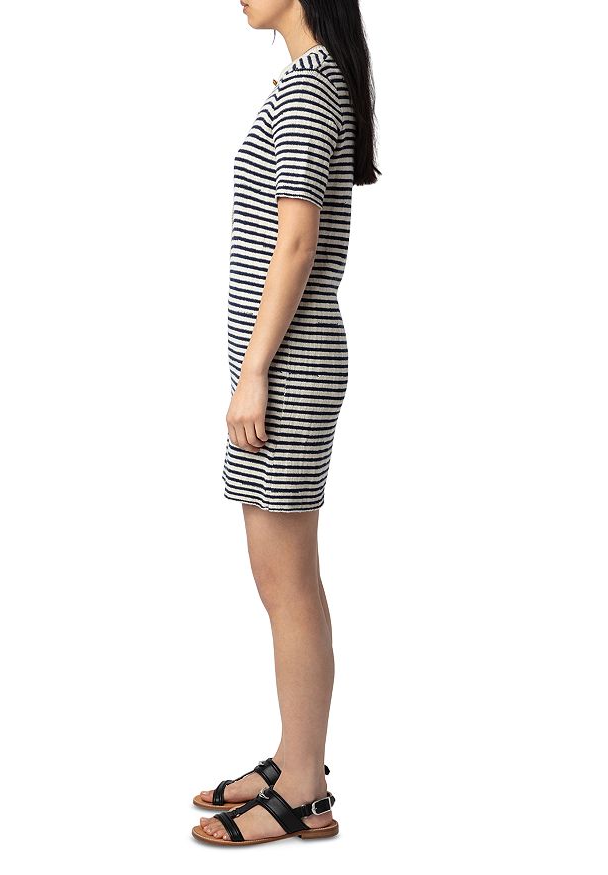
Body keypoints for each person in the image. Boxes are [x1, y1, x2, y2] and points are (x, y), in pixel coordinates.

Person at [192, 0, 380, 846]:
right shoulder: (307, 81)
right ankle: (294, 757)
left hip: (289, 370)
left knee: (287, 581)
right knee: (282, 579)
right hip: (283, 367)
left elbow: (296, 241)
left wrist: (256, 373)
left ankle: (304, 789)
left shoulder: (309, 88)